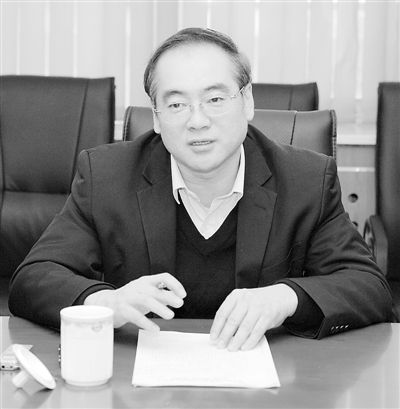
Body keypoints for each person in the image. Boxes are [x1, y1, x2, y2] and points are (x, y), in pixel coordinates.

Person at [9, 28, 393, 352]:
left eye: (215, 99)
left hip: (267, 383)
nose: (197, 121)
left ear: (246, 102)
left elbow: (369, 286)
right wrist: (107, 301)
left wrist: (286, 297)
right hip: (141, 385)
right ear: (156, 117)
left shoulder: (306, 179)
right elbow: (33, 278)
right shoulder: (106, 176)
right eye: (177, 104)